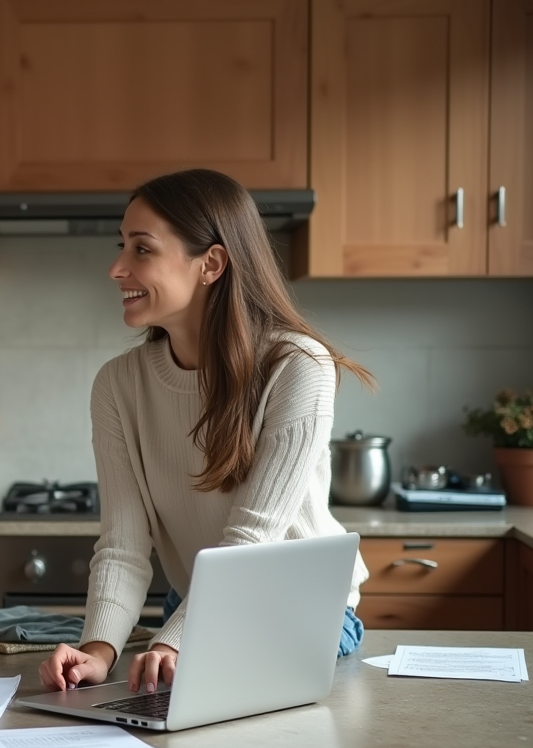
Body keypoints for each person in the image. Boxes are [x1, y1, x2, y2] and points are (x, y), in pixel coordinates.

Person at [39, 168, 372, 697]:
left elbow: (251, 542)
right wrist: (99, 651)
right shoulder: (117, 385)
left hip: (302, 608)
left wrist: (171, 644)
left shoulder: (298, 367)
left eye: (141, 249)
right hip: (193, 603)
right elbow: (124, 545)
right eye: (121, 245)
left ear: (211, 263)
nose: (117, 267)